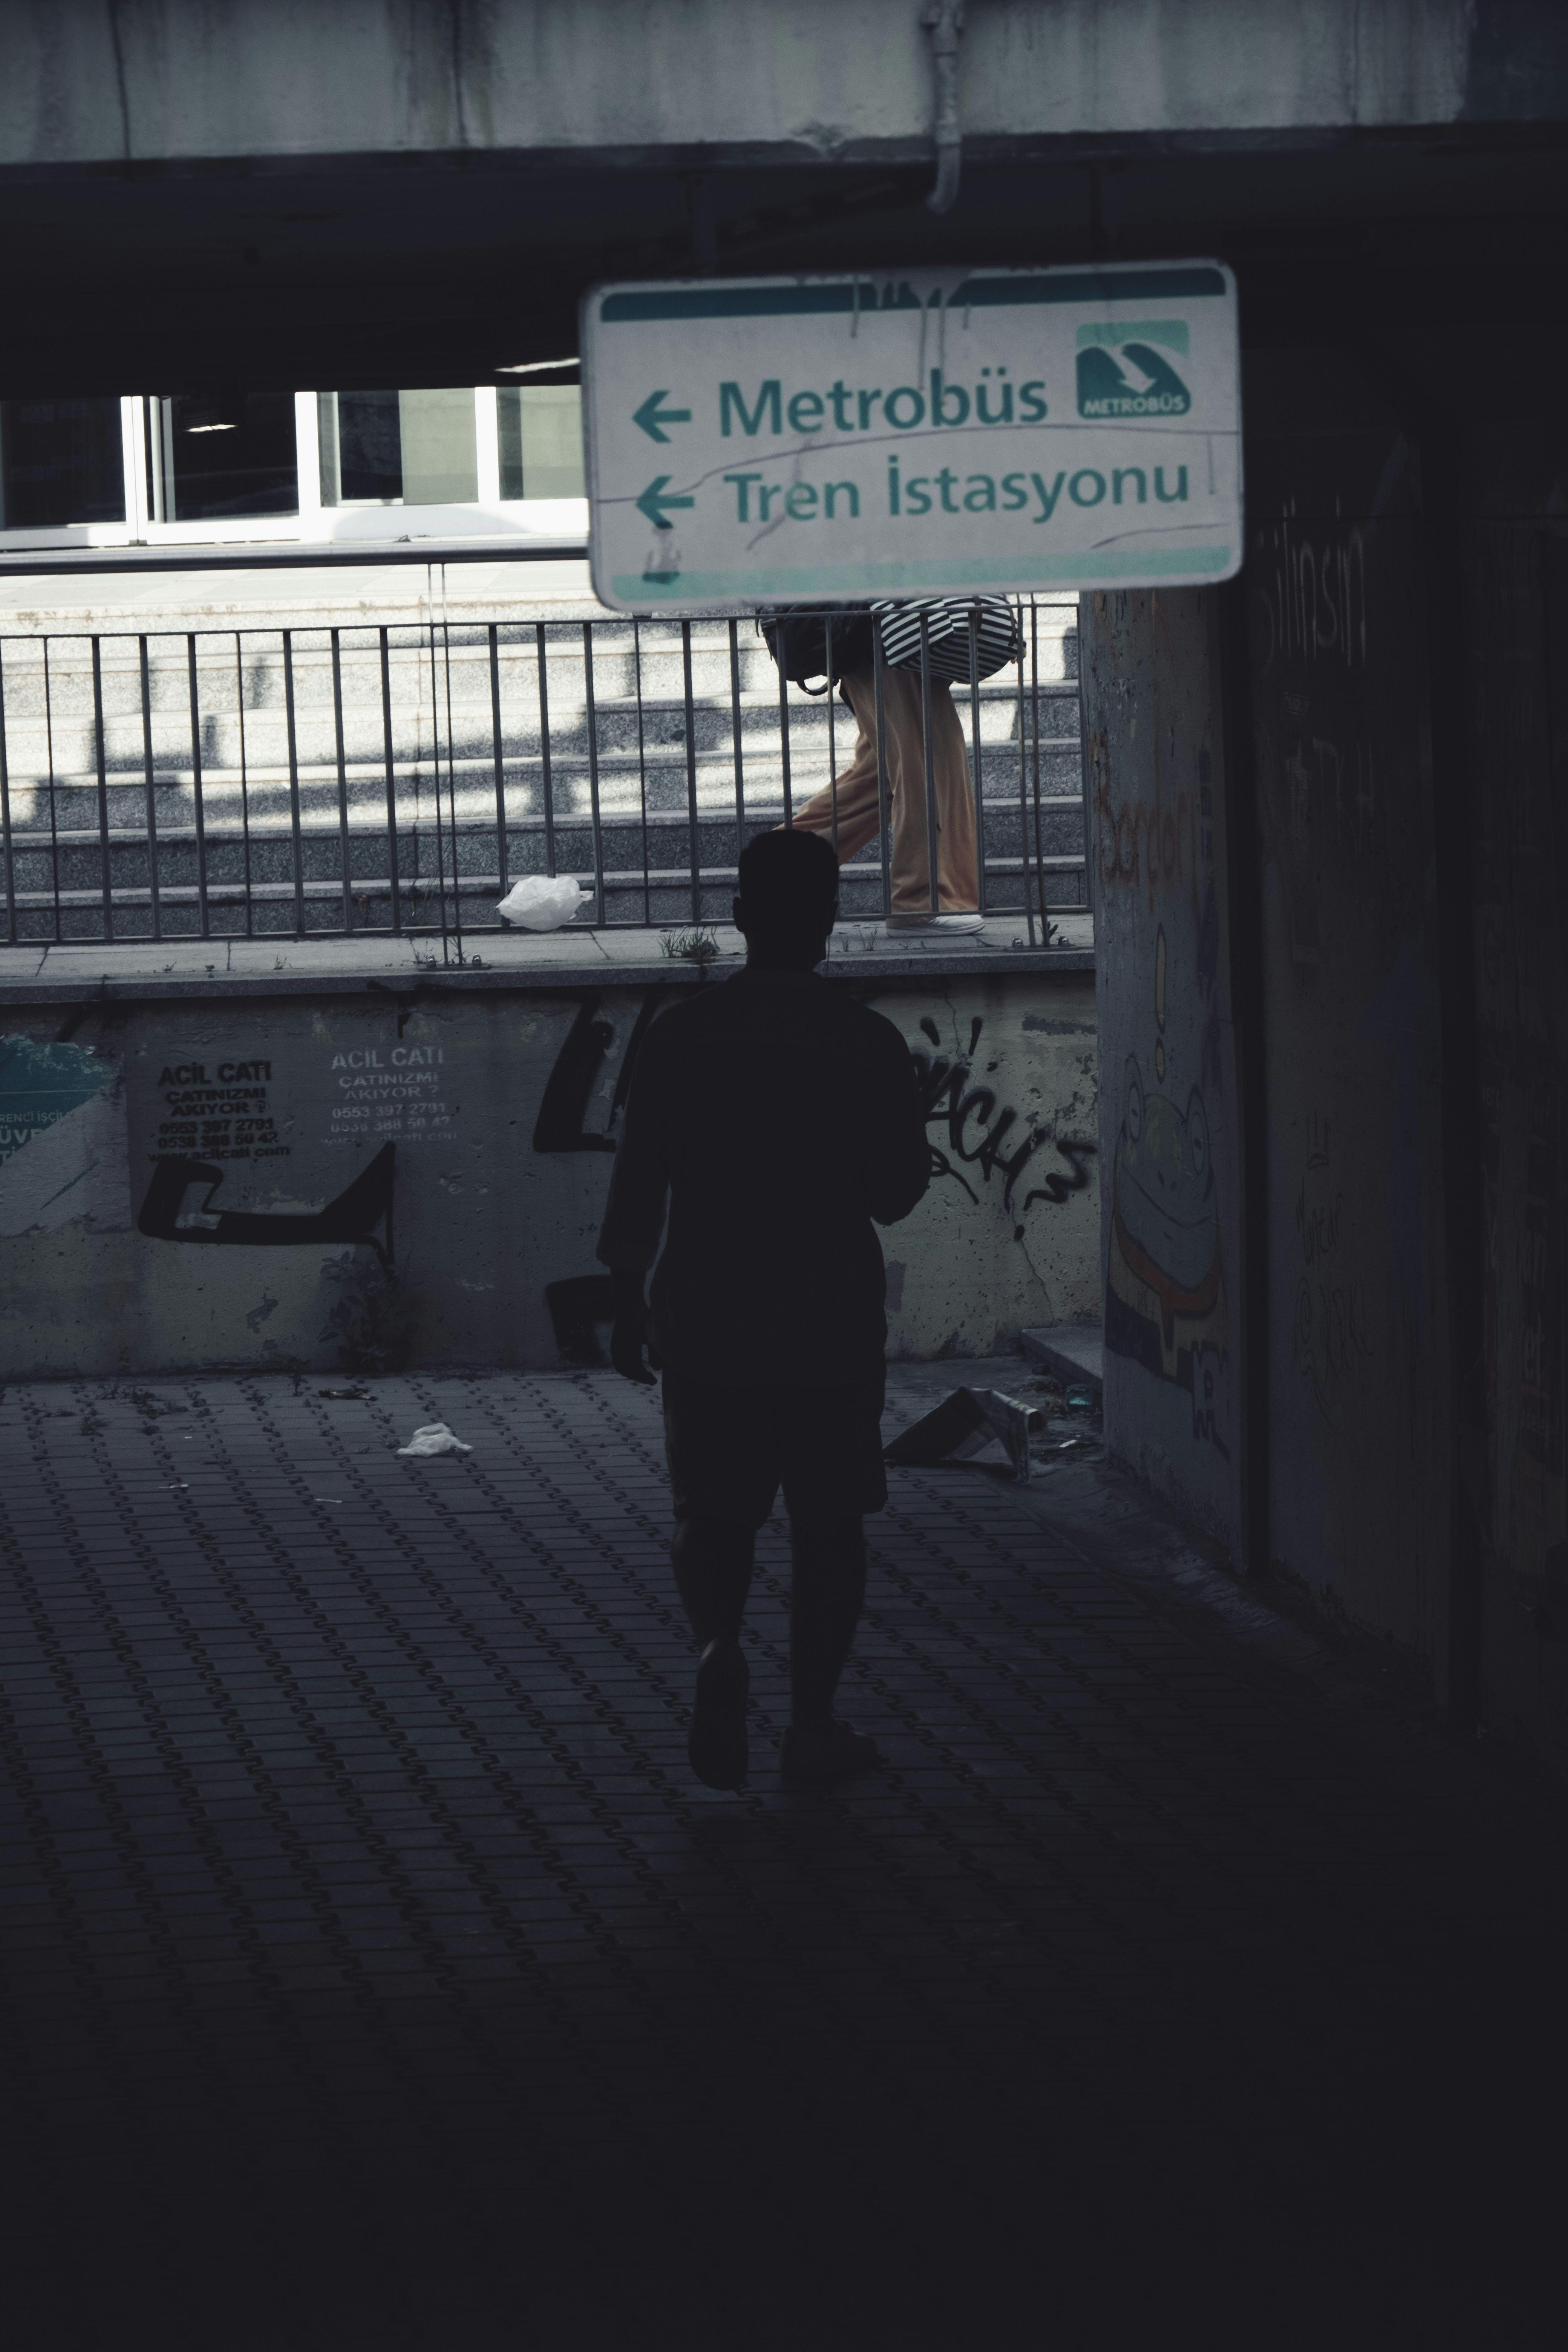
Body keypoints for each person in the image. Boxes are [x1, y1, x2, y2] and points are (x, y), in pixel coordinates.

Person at [598, 828, 931, 1791]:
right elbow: (894, 1192)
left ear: (741, 918)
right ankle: (813, 1725)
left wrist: (628, 1301)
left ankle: (717, 1649)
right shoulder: (863, 1041)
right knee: (830, 1526)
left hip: (707, 1316)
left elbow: (636, 1188)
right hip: (827, 1323)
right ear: (828, 922)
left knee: (712, 1514)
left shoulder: (681, 1038)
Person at [788, 634, 983, 936]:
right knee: (925, 762)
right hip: (889, 636)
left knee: (880, 777)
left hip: (878, 638)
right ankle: (919, 904)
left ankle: (775, 869)